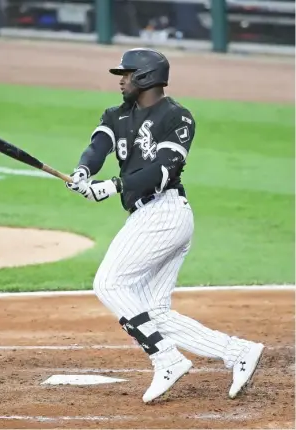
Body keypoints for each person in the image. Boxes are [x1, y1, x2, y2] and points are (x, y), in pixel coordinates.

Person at [66, 48, 264, 403]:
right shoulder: (116, 115)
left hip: (165, 211)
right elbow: (97, 147)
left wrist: (112, 187)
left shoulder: (177, 117)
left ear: (145, 76)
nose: (121, 80)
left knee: (108, 283)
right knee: (154, 311)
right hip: (150, 216)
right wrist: (83, 172)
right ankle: (239, 351)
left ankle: (166, 358)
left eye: (126, 74)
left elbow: (164, 168)